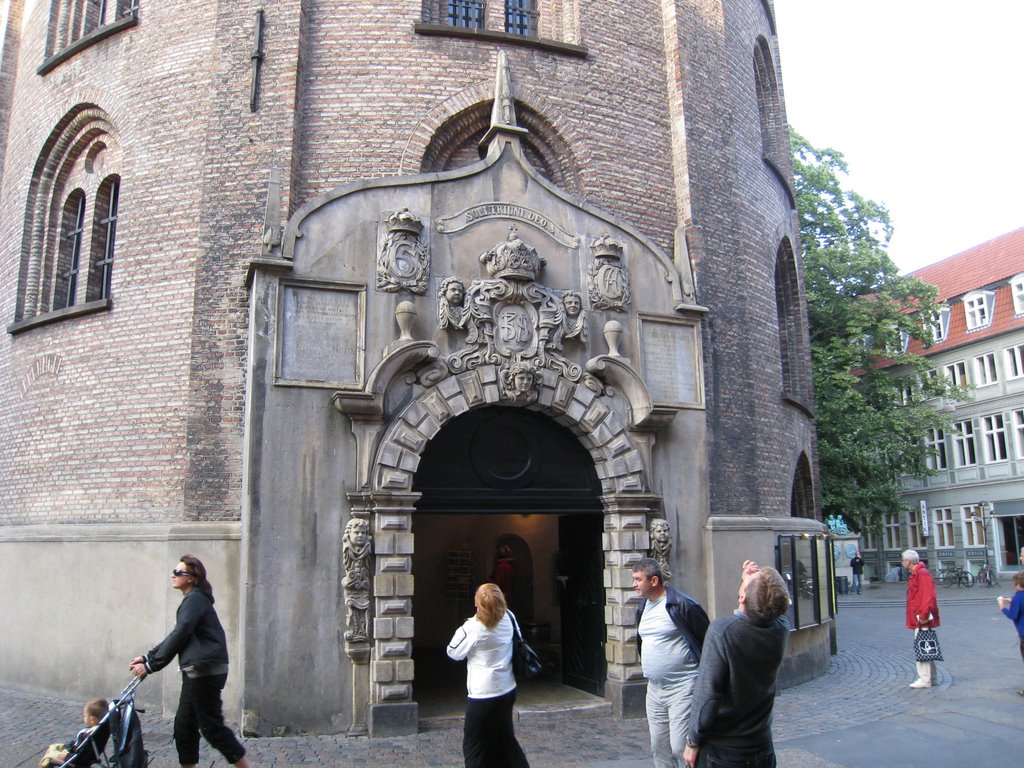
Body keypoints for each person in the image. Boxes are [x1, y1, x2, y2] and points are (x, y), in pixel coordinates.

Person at [129, 555, 251, 768]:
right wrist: (149, 656)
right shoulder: (193, 600)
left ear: (192, 578)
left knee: (211, 727)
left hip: (205, 671)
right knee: (184, 726)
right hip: (197, 671)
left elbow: (181, 633)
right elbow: (178, 633)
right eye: (173, 572)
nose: (173, 576)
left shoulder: (195, 599)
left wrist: (150, 666)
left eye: (178, 572)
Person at [682, 560, 790, 768]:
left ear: (742, 597)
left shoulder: (723, 631)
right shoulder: (780, 630)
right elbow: (774, 608)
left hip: (724, 750)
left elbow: (708, 693)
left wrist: (692, 741)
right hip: (762, 746)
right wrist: (758, 584)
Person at [632, 557, 710, 768]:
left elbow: (706, 641)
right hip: (655, 689)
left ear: (654, 580)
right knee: (659, 748)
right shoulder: (643, 607)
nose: (634, 584)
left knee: (679, 747)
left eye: (638, 579)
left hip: (683, 686)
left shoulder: (682, 605)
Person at [446, 583, 530, 768]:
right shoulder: (509, 617)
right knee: (507, 741)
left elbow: (453, 652)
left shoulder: (474, 628)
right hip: (507, 688)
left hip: (482, 694)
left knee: (474, 745)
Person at [902, 549, 940, 689]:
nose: (902, 562)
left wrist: (923, 615)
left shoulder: (921, 574)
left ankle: (925, 679)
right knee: (926, 646)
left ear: (909, 561)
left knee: (922, 646)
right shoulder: (917, 573)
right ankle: (930, 677)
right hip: (919, 616)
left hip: (921, 617)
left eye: (903, 560)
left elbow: (927, 595)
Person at [40, 698, 109, 767]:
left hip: (74, 761)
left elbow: (78, 754)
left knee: (47, 759)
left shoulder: (87, 735)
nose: (83, 717)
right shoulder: (101, 730)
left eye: (85, 716)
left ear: (92, 719)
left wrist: (54, 760)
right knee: (54, 747)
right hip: (85, 757)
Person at [997, 571, 1024, 696]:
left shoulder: (1018, 598)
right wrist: (1011, 600)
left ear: (1018, 584)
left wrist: (1002, 607)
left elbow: (1013, 615)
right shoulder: (1017, 598)